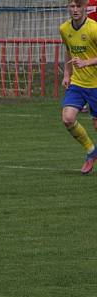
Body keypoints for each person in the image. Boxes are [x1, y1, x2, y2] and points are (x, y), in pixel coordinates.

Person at [61, 0, 97, 173]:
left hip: (96, 84)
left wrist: (86, 62)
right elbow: (68, 50)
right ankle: (91, 151)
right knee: (67, 118)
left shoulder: (94, 28)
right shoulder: (64, 29)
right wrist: (67, 74)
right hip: (78, 83)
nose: (75, 10)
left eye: (78, 6)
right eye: (72, 6)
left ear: (85, 8)